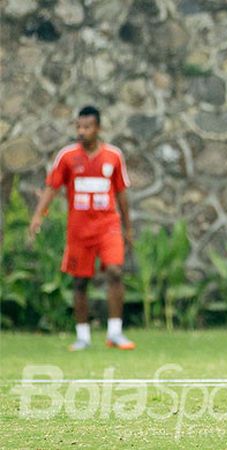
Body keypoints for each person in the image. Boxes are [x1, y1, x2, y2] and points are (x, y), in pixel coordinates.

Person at [29, 106, 135, 351]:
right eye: (78, 127)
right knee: (80, 282)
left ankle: (115, 333)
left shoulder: (113, 156)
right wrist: (38, 215)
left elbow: (121, 193)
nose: (82, 132)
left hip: (107, 226)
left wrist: (127, 228)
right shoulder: (67, 157)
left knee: (116, 272)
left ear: (98, 128)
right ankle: (83, 336)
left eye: (87, 127)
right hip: (79, 229)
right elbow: (52, 187)